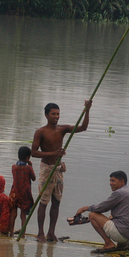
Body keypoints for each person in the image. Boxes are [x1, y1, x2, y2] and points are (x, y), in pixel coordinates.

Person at [32, 99, 92, 242]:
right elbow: (34, 152)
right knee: (44, 201)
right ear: (46, 115)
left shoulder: (62, 129)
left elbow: (83, 127)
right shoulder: (40, 132)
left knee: (56, 201)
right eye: (53, 114)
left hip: (58, 169)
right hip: (46, 169)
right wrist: (54, 154)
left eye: (58, 114)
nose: (56, 116)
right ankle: (40, 233)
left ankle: (51, 232)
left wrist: (87, 109)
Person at [74, 171, 129, 251]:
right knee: (112, 217)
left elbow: (102, 207)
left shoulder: (120, 193)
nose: (110, 183)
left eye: (113, 181)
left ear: (122, 181)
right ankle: (128, 243)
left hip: (122, 234)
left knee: (92, 215)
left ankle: (108, 243)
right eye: (110, 181)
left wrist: (84, 208)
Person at [9, 146, 36, 237]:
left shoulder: (13, 167)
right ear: (28, 157)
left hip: (14, 192)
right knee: (23, 215)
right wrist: (31, 166)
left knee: (13, 213)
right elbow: (34, 178)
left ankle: (11, 232)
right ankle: (22, 234)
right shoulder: (28, 168)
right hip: (24, 194)